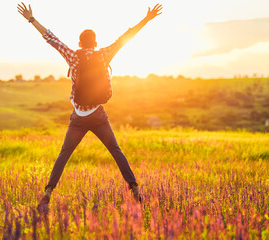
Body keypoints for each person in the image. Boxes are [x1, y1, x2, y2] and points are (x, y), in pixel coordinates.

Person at [17, 2, 162, 208]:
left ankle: (48, 191)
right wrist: (147, 19)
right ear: (94, 42)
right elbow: (125, 38)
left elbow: (51, 38)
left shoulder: (73, 56)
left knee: (64, 154)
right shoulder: (103, 54)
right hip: (98, 115)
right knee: (115, 150)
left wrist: (31, 19)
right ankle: (134, 188)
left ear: (80, 42)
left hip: (78, 116)